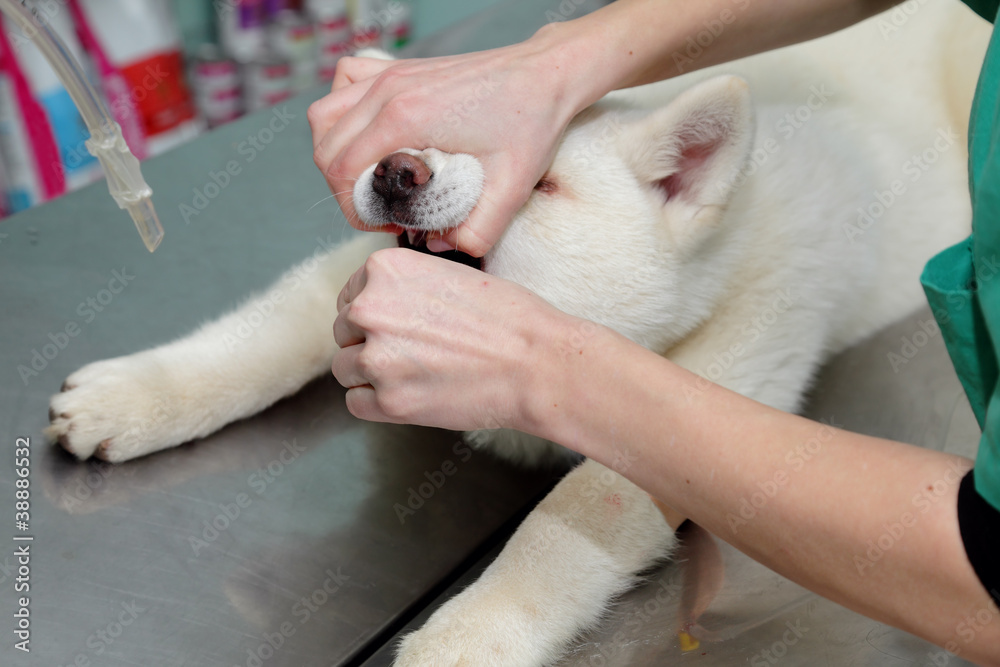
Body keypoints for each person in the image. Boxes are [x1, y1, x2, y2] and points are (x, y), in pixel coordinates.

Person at [309, 0, 1000, 662]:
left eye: (542, 190)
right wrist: (558, 62)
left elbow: (984, 572)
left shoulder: (780, 244)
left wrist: (549, 372)